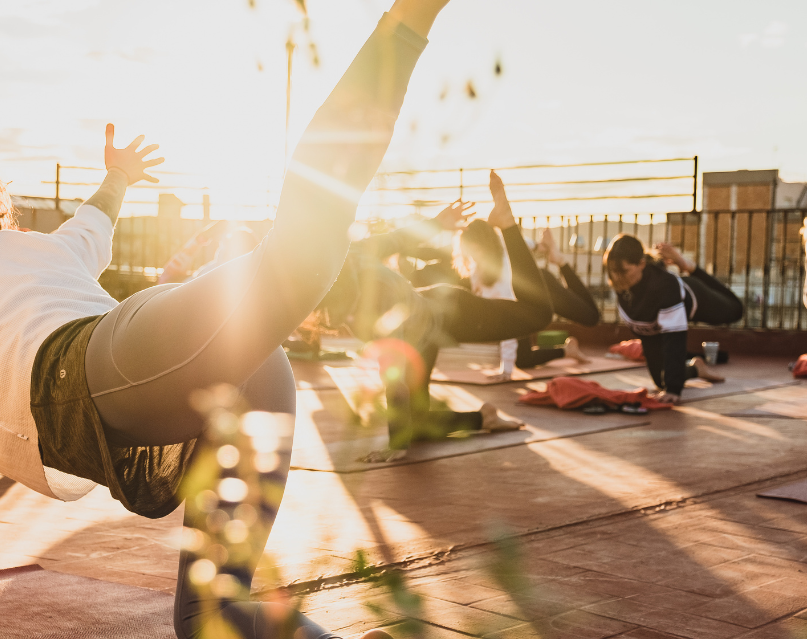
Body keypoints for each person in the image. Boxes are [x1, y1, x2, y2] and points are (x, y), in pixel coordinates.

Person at [0, 0, 515, 639]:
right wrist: (120, 176)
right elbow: (93, 222)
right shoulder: (36, 247)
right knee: (207, 619)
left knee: (292, 256)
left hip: (109, 368)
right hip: (233, 373)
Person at [314, 172, 553, 463]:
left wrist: (396, 444)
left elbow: (395, 376)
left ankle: (507, 224)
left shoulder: (376, 302)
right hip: (422, 327)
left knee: (539, 315)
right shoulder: (352, 254)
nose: (337, 321)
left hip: (453, 313)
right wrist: (437, 223)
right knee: (418, 426)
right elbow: (397, 239)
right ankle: (483, 419)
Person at [605, 234, 743, 403]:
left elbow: (675, 339)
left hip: (694, 296)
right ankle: (696, 369)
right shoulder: (625, 284)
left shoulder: (664, 286)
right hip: (659, 321)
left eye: (624, 271)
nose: (617, 277)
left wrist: (673, 389)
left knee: (736, 310)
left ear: (641, 264)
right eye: (613, 271)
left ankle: (690, 267)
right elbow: (647, 335)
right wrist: (667, 384)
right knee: (660, 382)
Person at [516, 227, 599, 368]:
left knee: (591, 316)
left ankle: (560, 261)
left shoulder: (495, 237)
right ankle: (567, 351)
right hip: (515, 296)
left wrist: (539, 246)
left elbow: (514, 243)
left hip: (536, 285)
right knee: (523, 359)